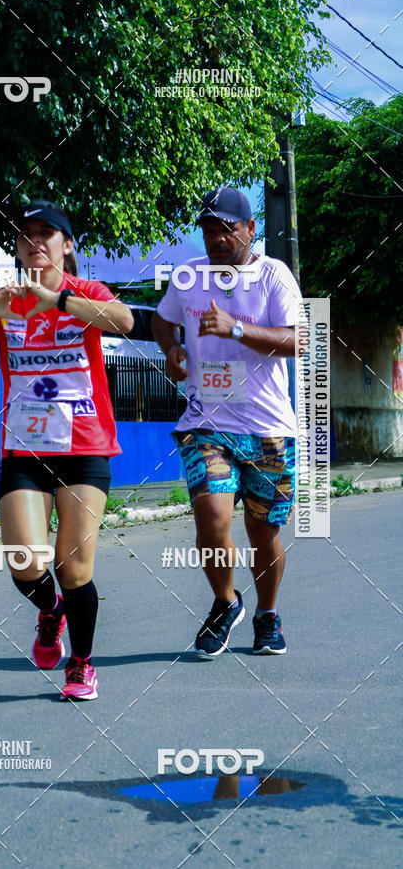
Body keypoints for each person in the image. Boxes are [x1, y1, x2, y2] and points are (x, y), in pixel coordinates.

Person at [0, 200, 133, 699]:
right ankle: (51, 612)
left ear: (67, 245)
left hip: (85, 448)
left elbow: (124, 321)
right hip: (25, 451)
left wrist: (57, 302)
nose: (35, 242)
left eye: (48, 233)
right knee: (25, 561)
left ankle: (82, 663)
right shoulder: (5, 301)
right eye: (26, 235)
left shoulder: (85, 293)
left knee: (73, 566)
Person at [152, 187, 302, 658]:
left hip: (268, 429)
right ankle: (225, 601)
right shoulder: (188, 277)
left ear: (250, 229)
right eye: (208, 229)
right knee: (212, 517)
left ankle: (267, 613)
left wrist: (235, 328)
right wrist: (171, 349)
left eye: (226, 228)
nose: (216, 238)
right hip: (206, 423)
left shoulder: (274, 276)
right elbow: (161, 321)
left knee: (264, 532)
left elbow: (297, 340)